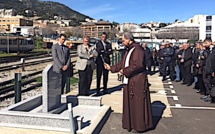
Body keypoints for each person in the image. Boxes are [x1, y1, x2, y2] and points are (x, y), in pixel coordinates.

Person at [104, 32, 153, 133]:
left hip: (137, 81)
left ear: (129, 39)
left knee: (138, 104)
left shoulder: (138, 49)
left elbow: (137, 65)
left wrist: (124, 71)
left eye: (123, 40)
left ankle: (139, 125)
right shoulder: (130, 50)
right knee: (130, 104)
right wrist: (111, 68)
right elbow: (123, 64)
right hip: (130, 80)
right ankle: (131, 123)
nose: (122, 42)